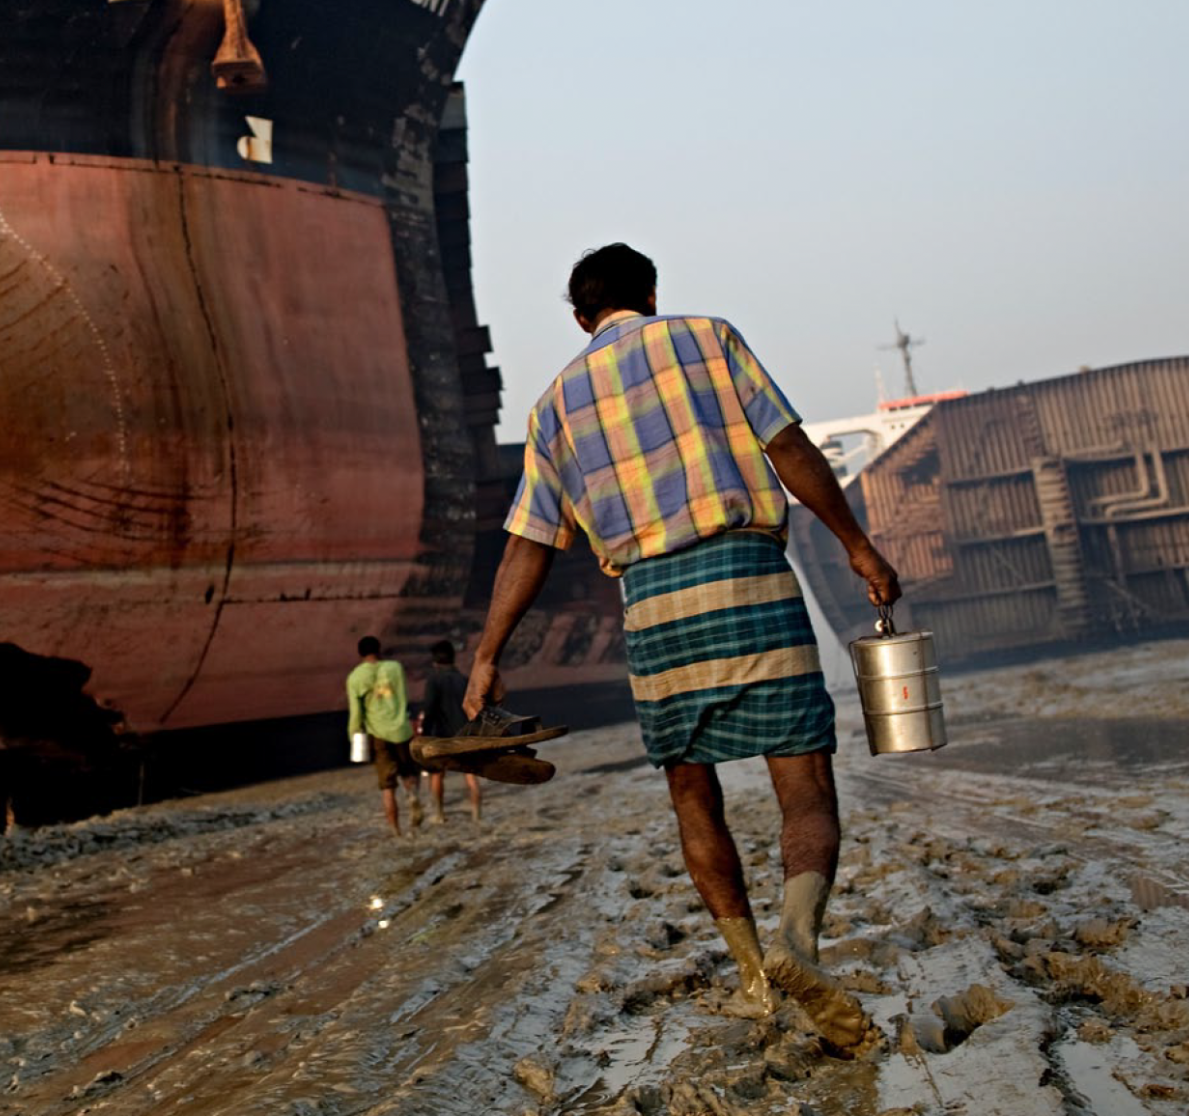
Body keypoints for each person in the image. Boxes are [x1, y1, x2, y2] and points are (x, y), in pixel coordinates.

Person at [463, 244, 900, 1050]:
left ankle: (755, 983)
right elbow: (789, 450)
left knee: (693, 796)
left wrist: (488, 653)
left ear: (580, 318)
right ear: (651, 294)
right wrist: (858, 546)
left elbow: (530, 542)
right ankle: (797, 943)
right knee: (804, 785)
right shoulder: (708, 338)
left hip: (652, 608)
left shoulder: (552, 406)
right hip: (749, 577)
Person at [347, 635, 424, 836]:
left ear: (360, 654)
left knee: (387, 787)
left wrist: (354, 734)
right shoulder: (395, 668)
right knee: (408, 773)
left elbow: (356, 712)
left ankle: (395, 831)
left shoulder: (355, 677)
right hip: (402, 729)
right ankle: (412, 796)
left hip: (378, 734)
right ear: (379, 650)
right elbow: (404, 696)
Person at [419, 640, 484, 823]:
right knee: (471, 774)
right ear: (453, 658)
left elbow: (429, 709)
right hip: (464, 734)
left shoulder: (434, 680)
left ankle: (439, 814)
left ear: (435, 661)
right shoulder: (464, 679)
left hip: (441, 735)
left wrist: (425, 733)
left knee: (437, 774)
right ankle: (477, 814)